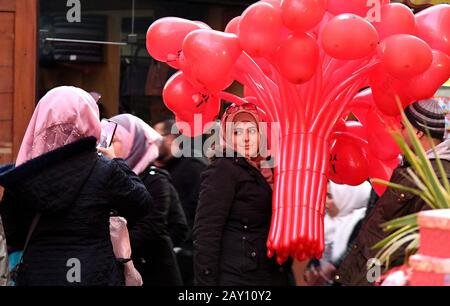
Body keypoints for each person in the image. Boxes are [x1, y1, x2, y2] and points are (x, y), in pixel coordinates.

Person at [0, 86, 151, 286]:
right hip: (94, 274)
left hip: (39, 273)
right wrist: (117, 161)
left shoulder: (23, 176)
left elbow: (13, 232)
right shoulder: (104, 170)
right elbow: (141, 203)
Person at [335, 98, 450, 286]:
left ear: (418, 132)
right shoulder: (412, 167)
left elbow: (428, 246)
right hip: (374, 272)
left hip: (386, 275)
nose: (400, 132)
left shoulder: (436, 178)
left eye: (404, 127)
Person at [193, 102, 293, 286]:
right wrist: (206, 283)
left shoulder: (266, 169)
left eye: (252, 131)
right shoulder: (223, 169)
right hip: (237, 277)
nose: (246, 138)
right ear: (226, 136)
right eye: (237, 132)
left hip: (266, 273)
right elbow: (207, 230)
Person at [105, 114, 187, 286]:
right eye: (106, 140)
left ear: (133, 144)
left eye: (115, 141)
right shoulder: (107, 176)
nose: (107, 147)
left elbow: (152, 225)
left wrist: (113, 248)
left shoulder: (155, 179)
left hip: (152, 270)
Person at [153, 119, 207, 285]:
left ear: (170, 138)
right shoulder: (162, 167)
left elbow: (199, 211)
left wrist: (185, 246)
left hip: (187, 252)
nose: (152, 141)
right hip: (170, 248)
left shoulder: (193, 167)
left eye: (156, 136)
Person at [304, 181, 371, 286]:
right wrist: (310, 269)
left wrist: (332, 268)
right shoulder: (327, 221)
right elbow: (317, 255)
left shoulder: (362, 223)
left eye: (330, 197)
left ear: (347, 198)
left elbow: (352, 256)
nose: (324, 201)